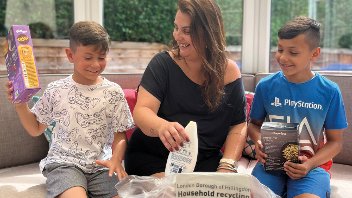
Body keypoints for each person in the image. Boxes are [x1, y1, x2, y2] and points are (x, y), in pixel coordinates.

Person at [6, 21, 134, 198]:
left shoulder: (113, 92)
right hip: (64, 164)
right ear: (70, 54)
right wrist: (20, 104)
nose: (96, 64)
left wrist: (116, 159)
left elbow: (120, 134)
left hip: (101, 166)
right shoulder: (56, 90)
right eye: (88, 58)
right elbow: (35, 128)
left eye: (102, 57)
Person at [124, 0, 247, 178]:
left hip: (205, 161)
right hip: (153, 158)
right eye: (176, 28)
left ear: (209, 33)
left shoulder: (230, 72)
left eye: (187, 31)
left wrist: (227, 166)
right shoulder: (162, 64)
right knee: (172, 192)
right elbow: (142, 111)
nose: (177, 36)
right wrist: (161, 126)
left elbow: (238, 124)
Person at [247, 16, 348, 198]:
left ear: (314, 53)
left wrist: (308, 165)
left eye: (293, 52)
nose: (283, 57)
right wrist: (258, 140)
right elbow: (253, 125)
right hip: (271, 166)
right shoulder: (265, 86)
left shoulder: (330, 91)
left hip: (311, 168)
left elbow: (336, 142)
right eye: (279, 50)